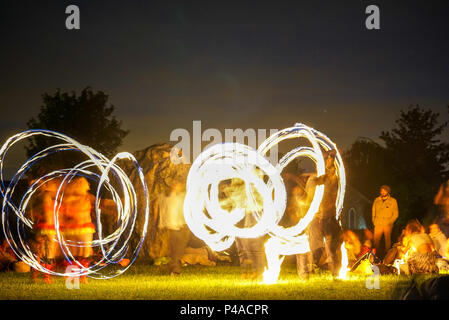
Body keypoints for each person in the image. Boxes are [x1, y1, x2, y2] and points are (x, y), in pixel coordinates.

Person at [306, 149, 342, 278]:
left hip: (328, 219)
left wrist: (330, 156)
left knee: (330, 248)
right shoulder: (314, 180)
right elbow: (308, 196)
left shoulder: (331, 179)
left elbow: (329, 171)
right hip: (317, 218)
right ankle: (314, 268)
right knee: (313, 246)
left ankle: (335, 273)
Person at [60, 177, 95, 283]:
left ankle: (79, 277)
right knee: (79, 253)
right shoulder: (73, 198)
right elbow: (64, 211)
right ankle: (76, 277)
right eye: (85, 183)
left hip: (80, 228)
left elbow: (102, 203)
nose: (88, 185)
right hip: (76, 228)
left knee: (80, 252)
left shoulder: (86, 197)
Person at [29, 178, 62, 283]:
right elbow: (60, 195)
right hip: (47, 227)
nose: (45, 186)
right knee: (48, 252)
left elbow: (30, 214)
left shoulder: (34, 198)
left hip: (40, 226)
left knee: (40, 252)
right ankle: (45, 277)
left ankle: (36, 276)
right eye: (43, 185)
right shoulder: (46, 195)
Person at [158, 180, 189, 275]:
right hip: (173, 227)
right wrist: (161, 223)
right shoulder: (165, 196)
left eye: (177, 183)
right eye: (174, 183)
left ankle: (169, 266)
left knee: (179, 250)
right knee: (176, 249)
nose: (175, 184)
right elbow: (162, 210)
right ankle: (175, 270)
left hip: (183, 226)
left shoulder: (183, 196)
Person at [372, 185, 398, 254]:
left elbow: (395, 213)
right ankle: (375, 254)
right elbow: (373, 211)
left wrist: (390, 221)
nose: (383, 192)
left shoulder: (393, 201)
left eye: (385, 190)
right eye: (382, 190)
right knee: (376, 241)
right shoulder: (376, 200)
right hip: (378, 223)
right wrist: (374, 221)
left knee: (387, 241)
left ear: (388, 191)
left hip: (387, 223)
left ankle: (387, 255)